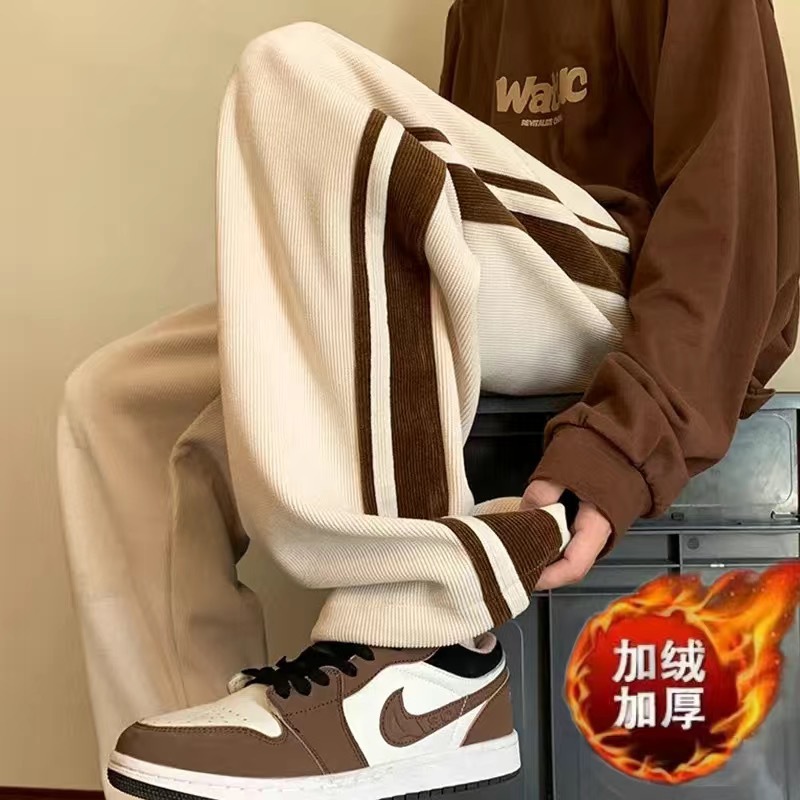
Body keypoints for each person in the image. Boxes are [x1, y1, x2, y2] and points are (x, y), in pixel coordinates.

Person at [58, 2, 799, 799]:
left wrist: (628, 439)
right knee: (122, 400)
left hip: (645, 293)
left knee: (294, 69)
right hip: (525, 272)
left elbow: (737, 215)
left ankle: (423, 652)